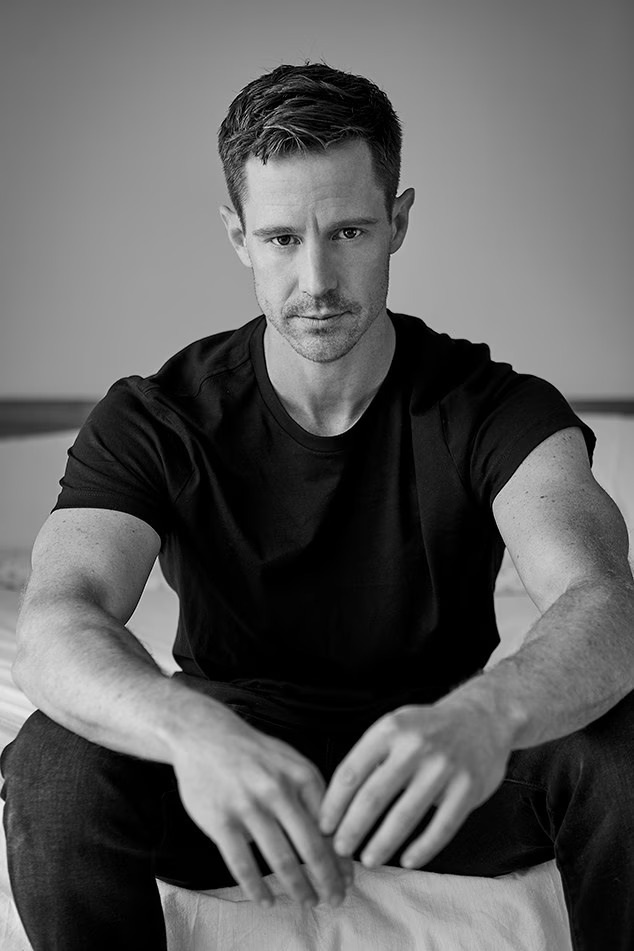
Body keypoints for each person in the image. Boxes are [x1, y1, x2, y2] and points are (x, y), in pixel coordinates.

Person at [2, 62, 633, 951]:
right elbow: (54, 624)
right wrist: (190, 729)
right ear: (237, 236)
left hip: (449, 766)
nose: (318, 279)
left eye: (347, 231)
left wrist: (487, 715)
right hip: (227, 782)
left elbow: (606, 601)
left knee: (625, 738)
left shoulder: (494, 405)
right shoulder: (158, 413)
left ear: (399, 221)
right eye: (281, 239)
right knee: (54, 764)